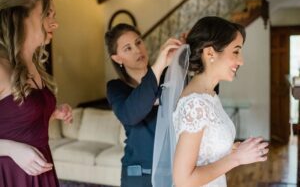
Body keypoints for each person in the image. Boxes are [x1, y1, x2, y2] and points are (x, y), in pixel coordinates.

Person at [153, 16, 269, 187]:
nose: (241, 61)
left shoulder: (210, 96)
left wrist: (232, 149)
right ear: (210, 54)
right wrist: (236, 158)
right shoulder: (196, 104)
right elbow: (184, 180)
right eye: (236, 51)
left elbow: (204, 150)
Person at [0, 0, 72, 186]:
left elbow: (14, 119)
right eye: (47, 14)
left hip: (41, 171)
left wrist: (51, 111)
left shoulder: (33, 65)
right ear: (20, 16)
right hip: (9, 175)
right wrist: (11, 149)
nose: (55, 23)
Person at [105, 23, 182, 187]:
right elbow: (130, 114)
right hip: (139, 177)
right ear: (117, 58)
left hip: (175, 171)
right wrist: (160, 65)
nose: (137, 50)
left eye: (138, 42)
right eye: (128, 48)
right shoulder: (116, 88)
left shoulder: (167, 79)